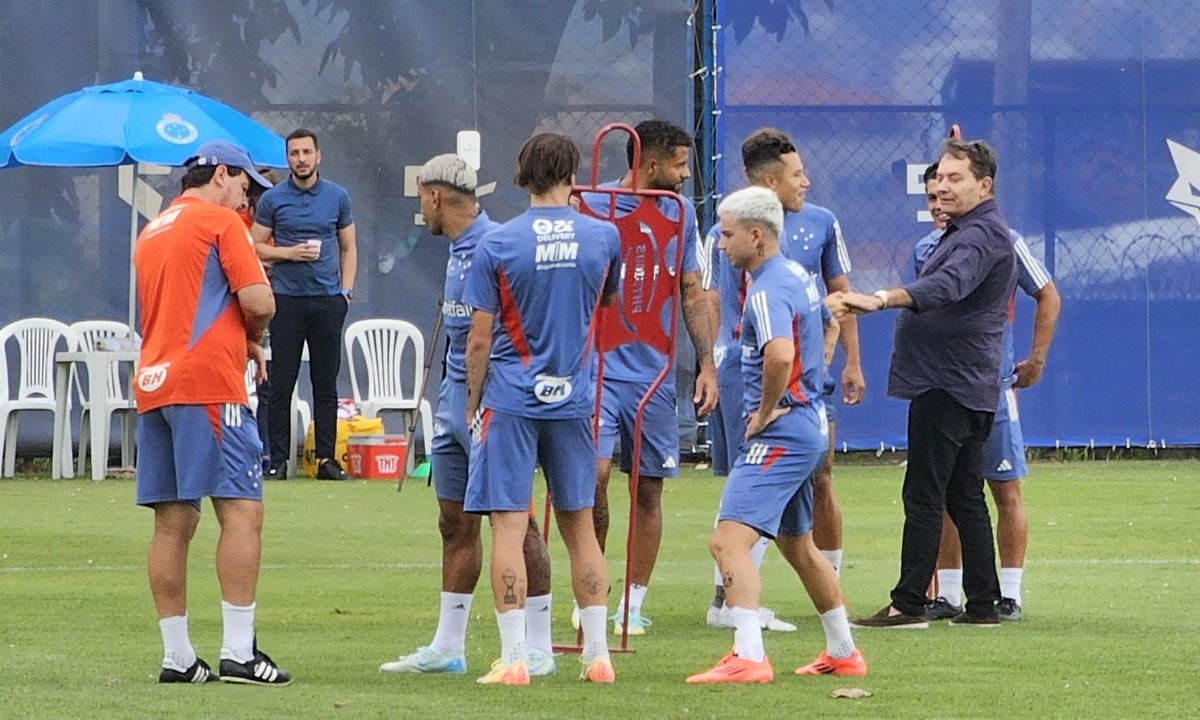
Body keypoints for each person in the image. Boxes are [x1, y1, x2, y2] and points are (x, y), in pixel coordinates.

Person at [379, 154, 556, 677]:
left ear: (435, 197)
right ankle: (448, 647)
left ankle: (539, 645)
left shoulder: (497, 245)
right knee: (453, 522)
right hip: (456, 400)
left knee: (515, 523)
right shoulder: (460, 249)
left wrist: (486, 401)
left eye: (421, 199)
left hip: (494, 402)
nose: (420, 210)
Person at [828, 138, 1016, 628]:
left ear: (984, 185)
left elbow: (946, 286)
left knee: (925, 494)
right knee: (964, 495)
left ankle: (909, 603)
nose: (944, 188)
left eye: (956, 179)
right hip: (965, 383)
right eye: (940, 181)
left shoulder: (978, 236)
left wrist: (884, 298)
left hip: (949, 384)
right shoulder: (972, 230)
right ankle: (982, 604)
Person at [686, 186, 865, 683]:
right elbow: (831, 320)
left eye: (727, 234)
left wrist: (766, 410)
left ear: (756, 235)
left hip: (782, 433)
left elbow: (781, 355)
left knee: (727, 542)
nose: (721, 245)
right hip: (807, 425)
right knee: (796, 544)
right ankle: (844, 650)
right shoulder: (797, 277)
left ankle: (748, 656)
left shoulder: (765, 289)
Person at [462, 133, 621, 685]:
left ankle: (514, 661)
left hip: (511, 397)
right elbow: (606, 302)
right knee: (580, 526)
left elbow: (479, 339)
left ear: (522, 174)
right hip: (574, 396)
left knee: (508, 527)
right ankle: (596, 655)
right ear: (572, 172)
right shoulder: (604, 237)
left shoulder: (498, 243)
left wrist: (472, 399)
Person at [133, 140, 290, 685]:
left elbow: (181, 305)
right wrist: (254, 337)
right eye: (245, 187)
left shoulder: (152, 230)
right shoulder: (222, 225)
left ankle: (178, 657)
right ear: (221, 174)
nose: (247, 202)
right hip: (209, 387)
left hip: (154, 386)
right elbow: (260, 300)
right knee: (243, 512)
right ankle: (239, 653)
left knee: (173, 523)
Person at [581, 119, 718, 636]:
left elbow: (692, 291)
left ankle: (632, 604)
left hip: (654, 375)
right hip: (595, 369)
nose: (686, 175)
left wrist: (706, 365)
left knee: (649, 490)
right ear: (652, 164)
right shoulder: (591, 203)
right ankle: (591, 591)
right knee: (591, 479)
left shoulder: (681, 216)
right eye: (681, 165)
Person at [914, 163, 1061, 622]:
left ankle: (1010, 593)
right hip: (947, 387)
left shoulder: (1005, 240)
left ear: (979, 189)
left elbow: (1048, 295)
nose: (939, 204)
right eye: (932, 197)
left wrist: (1036, 358)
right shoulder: (926, 249)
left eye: (949, 190)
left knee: (1004, 487)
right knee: (944, 493)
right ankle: (950, 594)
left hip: (993, 388)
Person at [251, 129, 357, 480]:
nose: (301, 158)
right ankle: (278, 460)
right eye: (294, 153)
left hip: (328, 300)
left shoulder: (337, 197)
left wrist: (346, 292)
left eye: (306, 152)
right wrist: (287, 253)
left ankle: (326, 459)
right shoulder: (272, 200)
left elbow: (348, 247)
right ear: (288, 158)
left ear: (318, 156)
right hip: (286, 301)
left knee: (325, 382)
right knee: (282, 381)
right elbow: (253, 245)